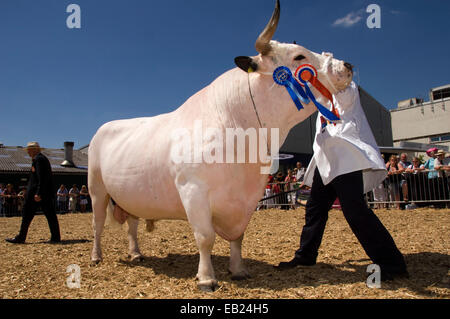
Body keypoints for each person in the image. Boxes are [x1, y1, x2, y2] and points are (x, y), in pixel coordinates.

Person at [275, 81, 408, 281]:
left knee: (355, 210)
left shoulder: (346, 89)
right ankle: (306, 255)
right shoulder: (320, 95)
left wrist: (331, 79)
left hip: (345, 156)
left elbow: (344, 97)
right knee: (315, 209)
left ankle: (391, 263)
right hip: (326, 158)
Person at [5, 142, 61, 244]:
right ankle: (55, 236)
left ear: (34, 150)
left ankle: (21, 237)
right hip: (42, 193)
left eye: (29, 150)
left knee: (28, 215)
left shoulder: (39, 159)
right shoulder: (40, 159)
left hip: (37, 194)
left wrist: (38, 193)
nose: (28, 152)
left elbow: (41, 177)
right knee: (50, 215)